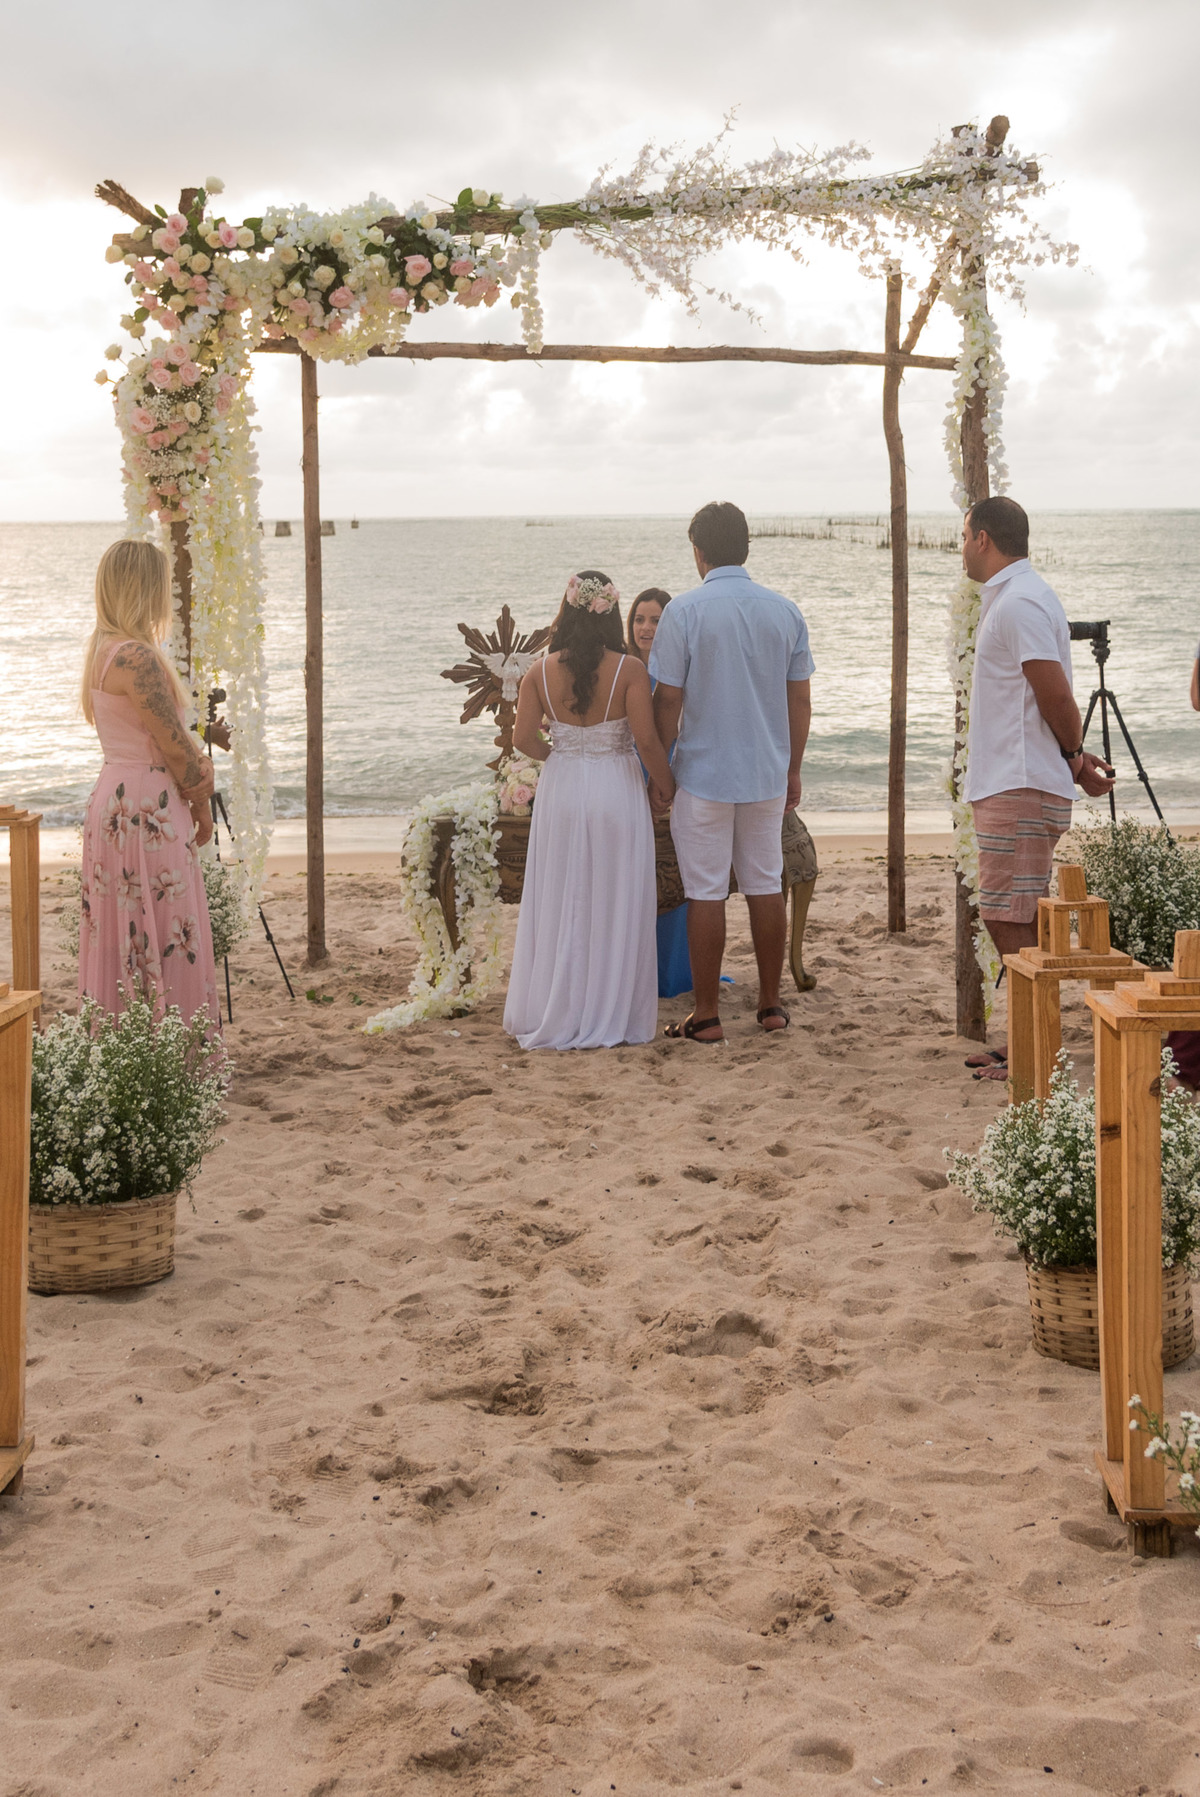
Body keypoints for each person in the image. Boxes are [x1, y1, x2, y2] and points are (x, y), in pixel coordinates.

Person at [960, 497, 1114, 1081]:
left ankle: (1036, 1050)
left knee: (1008, 916)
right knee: (1016, 915)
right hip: (1016, 779)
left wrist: (1072, 757)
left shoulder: (1020, 601)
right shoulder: (1019, 596)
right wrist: (1071, 757)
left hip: (1019, 784)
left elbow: (1053, 693)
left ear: (983, 539)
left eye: (965, 536)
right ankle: (1026, 1039)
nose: (961, 549)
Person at [650, 501, 813, 1042]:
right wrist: (793, 768)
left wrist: (661, 769)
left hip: (703, 775)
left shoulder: (684, 612)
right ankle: (770, 1005)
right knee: (765, 885)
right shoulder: (785, 611)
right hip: (765, 773)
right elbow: (799, 701)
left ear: (699, 552)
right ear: (746, 547)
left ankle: (707, 1014)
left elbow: (668, 700)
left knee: (706, 893)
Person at [503, 571, 675, 1051]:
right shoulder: (629, 670)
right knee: (615, 894)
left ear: (567, 612)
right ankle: (608, 1006)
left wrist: (560, 755)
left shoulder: (539, 671)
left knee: (562, 895)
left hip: (562, 789)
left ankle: (557, 1004)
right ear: (612, 615)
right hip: (616, 788)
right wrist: (666, 785)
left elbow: (522, 739)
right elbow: (646, 740)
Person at [79, 539, 219, 1029]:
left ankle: (126, 1043)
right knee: (168, 930)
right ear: (145, 589)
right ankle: (172, 1050)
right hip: (147, 809)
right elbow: (173, 744)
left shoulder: (102, 652)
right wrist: (202, 792)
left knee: (120, 932)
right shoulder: (137, 657)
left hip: (115, 800)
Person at [627, 587, 692, 1000]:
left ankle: (673, 974)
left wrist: (665, 782)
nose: (646, 628)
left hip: (672, 777)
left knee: (673, 873)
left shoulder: (680, 670)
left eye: (655, 620)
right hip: (627, 778)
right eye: (639, 619)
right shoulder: (622, 669)